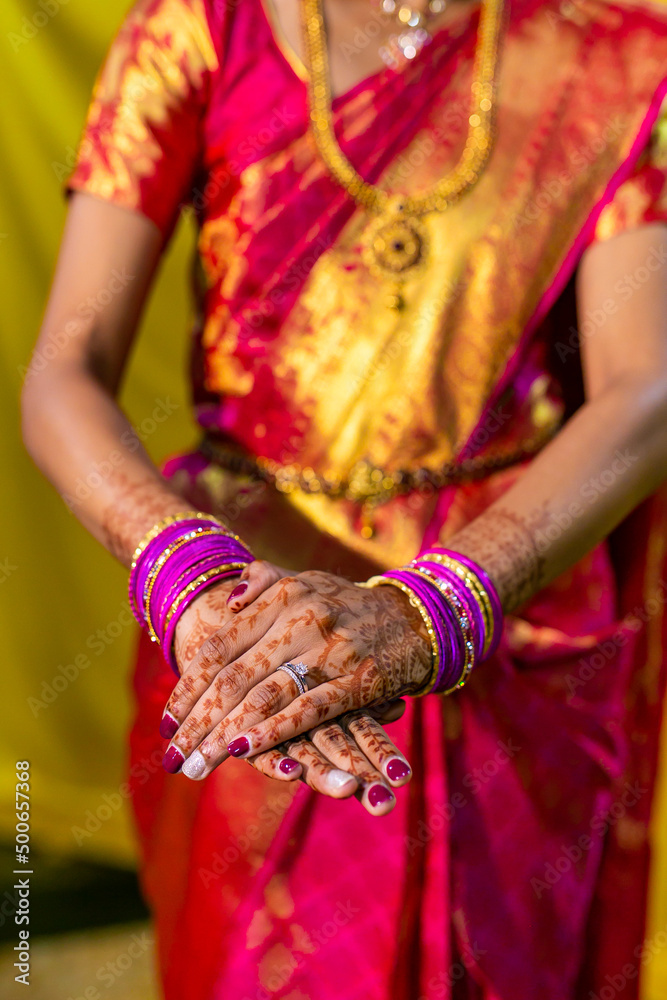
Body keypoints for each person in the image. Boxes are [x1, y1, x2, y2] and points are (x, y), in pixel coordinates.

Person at [21, 0, 667, 995]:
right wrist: (194, 585)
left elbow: (647, 387)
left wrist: (433, 608)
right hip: (244, 633)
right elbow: (65, 370)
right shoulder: (200, 26)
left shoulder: (612, 46)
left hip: (513, 624)